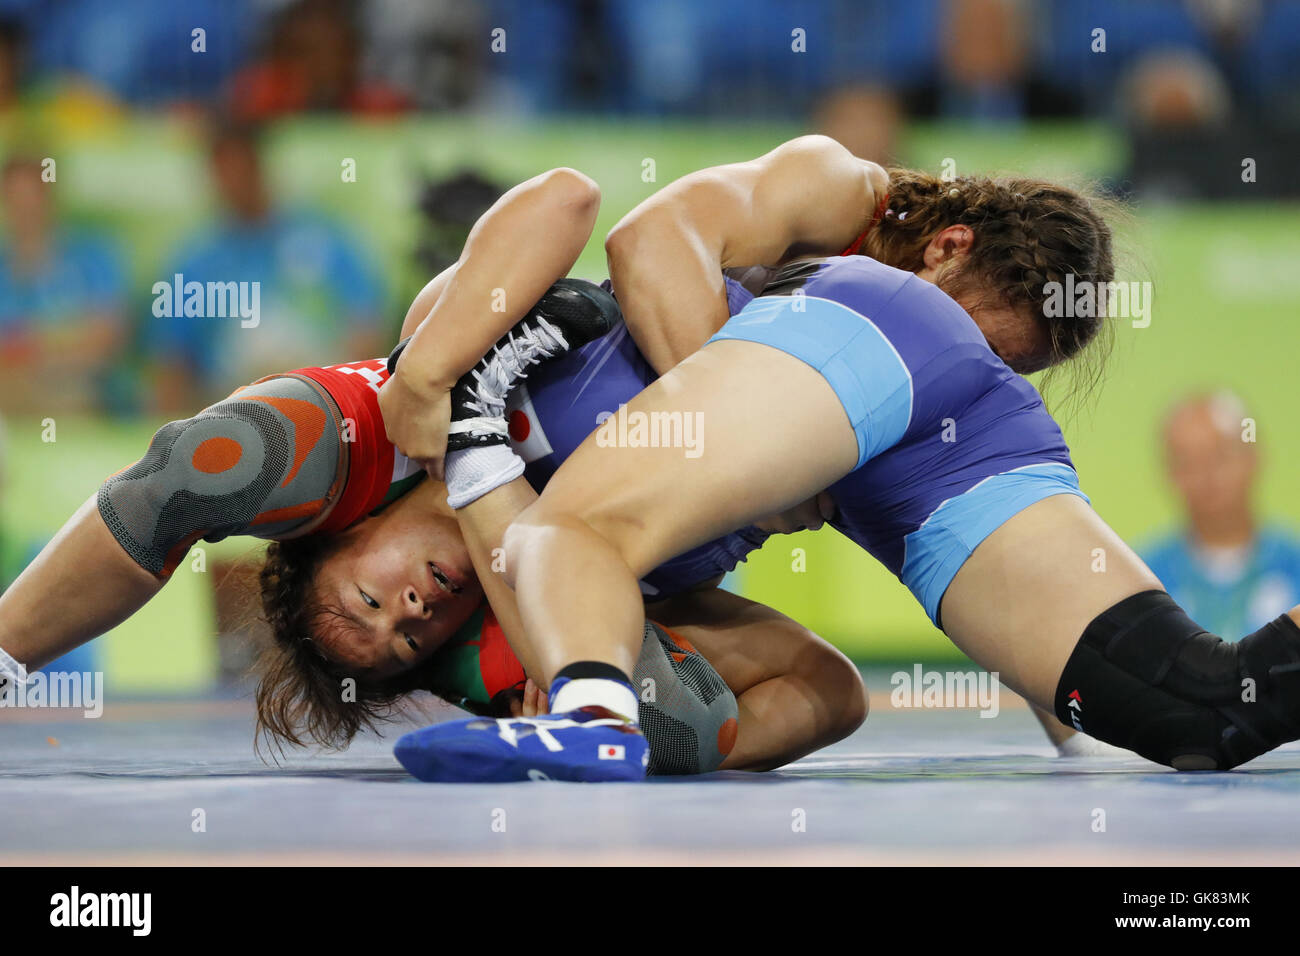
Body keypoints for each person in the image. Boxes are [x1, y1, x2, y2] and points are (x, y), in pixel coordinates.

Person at [382, 150, 1300, 782]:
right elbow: (649, 240)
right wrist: (770, 460)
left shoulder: (874, 319)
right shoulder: (843, 188)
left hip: (878, 381)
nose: (984, 353)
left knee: (1203, 705)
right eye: (985, 333)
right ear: (948, 245)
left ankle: (593, 722)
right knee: (1203, 708)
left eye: (1006, 362)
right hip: (898, 410)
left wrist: (1076, 710)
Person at [1142, 391, 1300, 639]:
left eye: (1220, 456)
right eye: (1188, 462)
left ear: (1254, 457)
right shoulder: (1141, 582)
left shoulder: (1295, 565)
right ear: (1169, 473)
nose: (1206, 476)